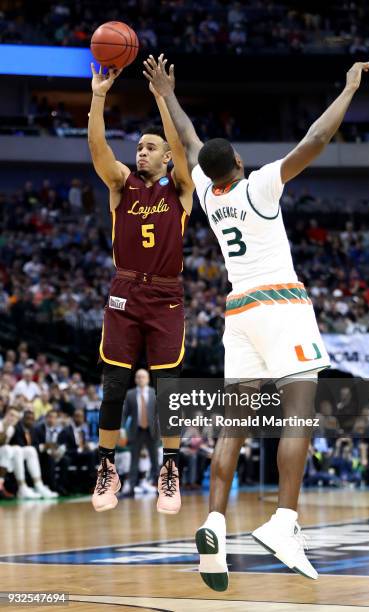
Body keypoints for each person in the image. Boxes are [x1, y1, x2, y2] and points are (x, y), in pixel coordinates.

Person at [144, 55, 369, 589]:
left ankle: (215, 526)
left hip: (238, 312)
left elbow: (189, 135)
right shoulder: (261, 184)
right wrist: (349, 89)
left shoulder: (205, 191)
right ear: (240, 163)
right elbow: (314, 140)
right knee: (298, 411)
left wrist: (165, 93)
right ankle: (285, 522)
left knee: (234, 425)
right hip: (280, 305)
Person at [88, 59, 195, 514]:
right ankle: (107, 465)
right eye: (139, 147)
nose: (142, 152)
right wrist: (97, 97)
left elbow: (178, 144)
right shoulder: (121, 185)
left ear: (167, 156)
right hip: (125, 291)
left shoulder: (182, 188)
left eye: (150, 147)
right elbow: (98, 150)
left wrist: (160, 98)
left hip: (166, 294)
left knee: (168, 384)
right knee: (114, 383)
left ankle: (169, 469)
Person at [121, 369, 159, 495]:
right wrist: (122, 429)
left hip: (152, 431)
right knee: (134, 460)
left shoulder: (154, 393)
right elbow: (124, 413)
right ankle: (131, 487)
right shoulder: (130, 394)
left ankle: (160, 486)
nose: (140, 379)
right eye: (138, 377)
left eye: (143, 377)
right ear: (135, 379)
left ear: (147, 379)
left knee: (155, 460)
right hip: (136, 431)